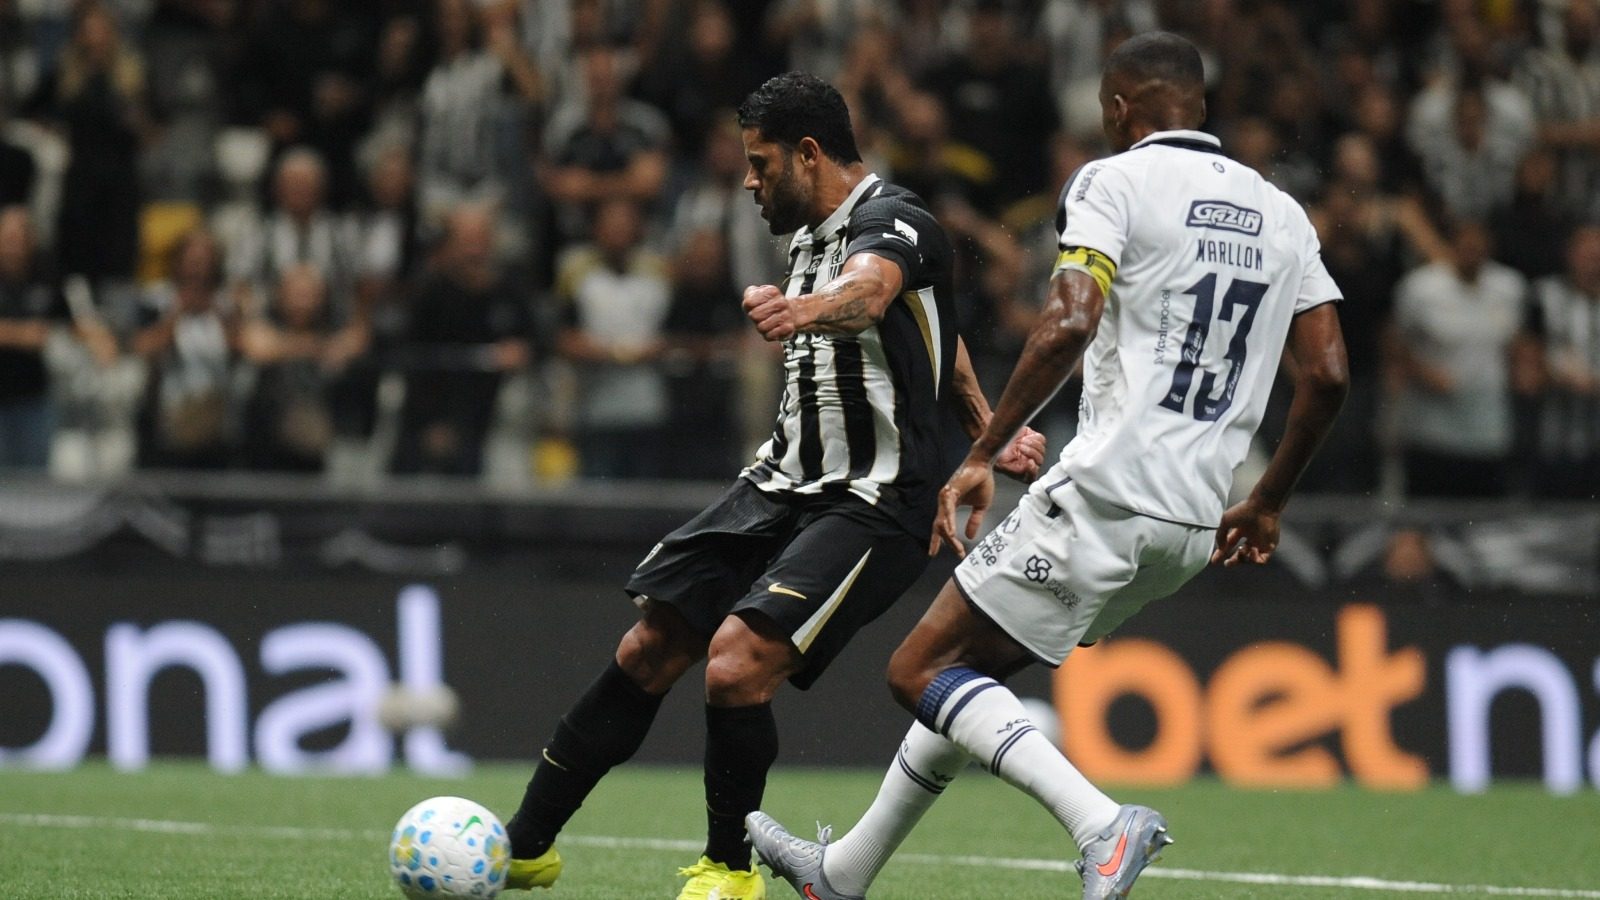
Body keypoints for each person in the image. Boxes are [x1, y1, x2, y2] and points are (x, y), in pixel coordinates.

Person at [746, 32, 1349, 900]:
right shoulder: (1282, 213)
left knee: (918, 670)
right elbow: (1327, 374)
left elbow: (1069, 320)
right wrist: (1268, 500)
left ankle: (1101, 826)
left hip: (1107, 492)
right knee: (966, 677)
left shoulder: (1114, 182)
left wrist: (984, 449)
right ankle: (842, 875)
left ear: (1119, 108)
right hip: (1193, 522)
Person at [500, 72, 1045, 900]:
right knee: (649, 646)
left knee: (735, 663)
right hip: (783, 480)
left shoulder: (894, 221)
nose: (750, 183)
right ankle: (524, 846)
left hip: (875, 498)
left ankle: (728, 870)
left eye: (760, 164)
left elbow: (874, 294)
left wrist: (804, 311)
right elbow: (940, 332)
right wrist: (986, 426)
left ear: (809, 153)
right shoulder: (808, 239)